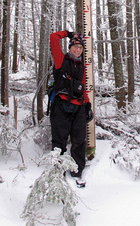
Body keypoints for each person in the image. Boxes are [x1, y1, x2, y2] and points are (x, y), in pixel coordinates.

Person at [49, 30, 93, 183]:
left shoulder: (82, 65)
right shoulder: (61, 59)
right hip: (61, 106)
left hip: (78, 107)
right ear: (70, 47)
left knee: (79, 140)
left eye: (80, 48)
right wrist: (67, 33)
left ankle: (77, 170)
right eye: (75, 47)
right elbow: (53, 38)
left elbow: (83, 87)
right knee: (59, 141)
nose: (78, 50)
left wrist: (87, 104)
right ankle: (57, 172)